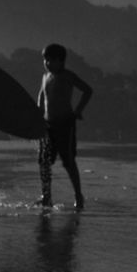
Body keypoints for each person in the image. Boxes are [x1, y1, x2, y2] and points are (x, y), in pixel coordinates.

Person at [37, 43, 93, 210]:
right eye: (45, 60)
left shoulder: (68, 76)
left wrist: (78, 110)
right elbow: (41, 97)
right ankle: (46, 196)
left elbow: (87, 90)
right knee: (44, 162)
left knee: (68, 161)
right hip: (47, 125)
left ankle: (78, 196)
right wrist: (37, 116)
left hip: (64, 124)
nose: (47, 63)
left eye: (50, 60)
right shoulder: (45, 77)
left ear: (60, 61)